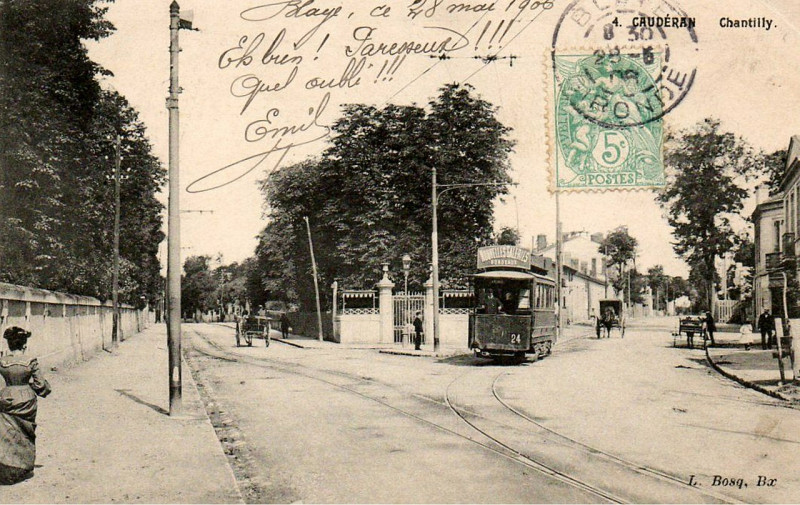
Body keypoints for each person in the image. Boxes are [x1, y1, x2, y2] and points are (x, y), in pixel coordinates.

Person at [0, 327, 51, 484]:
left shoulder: (2, 362)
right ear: (24, 345)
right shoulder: (30, 361)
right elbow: (41, 384)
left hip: (6, 397)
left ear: (9, 345)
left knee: (6, 432)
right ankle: (22, 466)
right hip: (26, 399)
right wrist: (37, 388)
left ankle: (6, 467)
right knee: (26, 432)